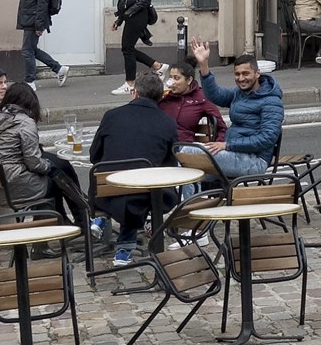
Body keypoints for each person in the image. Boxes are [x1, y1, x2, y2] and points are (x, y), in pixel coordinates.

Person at [90, 78, 187, 262]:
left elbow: (95, 155)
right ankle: (124, 248)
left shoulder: (111, 115)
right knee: (141, 194)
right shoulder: (167, 122)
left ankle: (102, 219)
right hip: (144, 192)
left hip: (105, 190)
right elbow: (170, 164)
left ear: (135, 93)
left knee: (122, 189)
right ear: (160, 97)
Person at [193, 40, 286, 181]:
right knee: (189, 160)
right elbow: (215, 95)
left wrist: (227, 145)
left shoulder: (272, 102)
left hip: (255, 160)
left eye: (245, 74)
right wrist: (204, 64)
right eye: (237, 74)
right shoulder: (240, 93)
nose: (241, 78)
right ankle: (191, 201)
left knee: (192, 154)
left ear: (257, 73)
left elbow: (266, 139)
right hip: (233, 153)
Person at [0, 79, 58, 215]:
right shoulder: (25, 122)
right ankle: (52, 224)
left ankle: (62, 221)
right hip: (11, 186)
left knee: (52, 175)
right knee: (53, 180)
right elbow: (33, 162)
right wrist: (48, 166)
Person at [110, 0, 157, 96]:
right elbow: (126, 0)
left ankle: (130, 83)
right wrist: (120, 19)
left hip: (138, 16)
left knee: (127, 49)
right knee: (128, 48)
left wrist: (129, 13)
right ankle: (157, 65)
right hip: (131, 16)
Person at [157, 58, 230, 146]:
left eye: (176, 78)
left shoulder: (201, 97)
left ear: (189, 80)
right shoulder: (165, 96)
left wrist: (218, 144)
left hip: (183, 145)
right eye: (170, 78)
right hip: (160, 143)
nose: (171, 83)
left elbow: (221, 127)